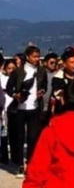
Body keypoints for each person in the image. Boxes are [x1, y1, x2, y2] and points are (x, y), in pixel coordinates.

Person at [6, 45, 48, 178]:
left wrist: (42, 91)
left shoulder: (42, 71)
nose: (37, 59)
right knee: (19, 137)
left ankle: (31, 164)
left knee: (33, 138)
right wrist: (15, 95)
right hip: (19, 109)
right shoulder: (18, 72)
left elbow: (45, 85)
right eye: (34, 56)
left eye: (38, 56)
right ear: (28, 56)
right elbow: (9, 88)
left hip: (34, 108)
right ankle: (19, 165)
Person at [50, 47, 74, 116]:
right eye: (72, 62)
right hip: (64, 112)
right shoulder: (58, 78)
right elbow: (57, 96)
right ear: (64, 64)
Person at [1, 58, 17, 165]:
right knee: (4, 133)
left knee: (15, 133)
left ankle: (16, 157)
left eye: (13, 68)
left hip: (15, 108)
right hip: (4, 109)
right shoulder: (2, 79)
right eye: (9, 68)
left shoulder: (19, 80)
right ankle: (4, 156)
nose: (11, 70)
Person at [40, 53, 58, 126]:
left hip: (53, 110)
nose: (53, 64)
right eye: (51, 62)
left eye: (55, 63)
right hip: (40, 109)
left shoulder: (58, 75)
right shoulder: (40, 75)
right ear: (45, 63)